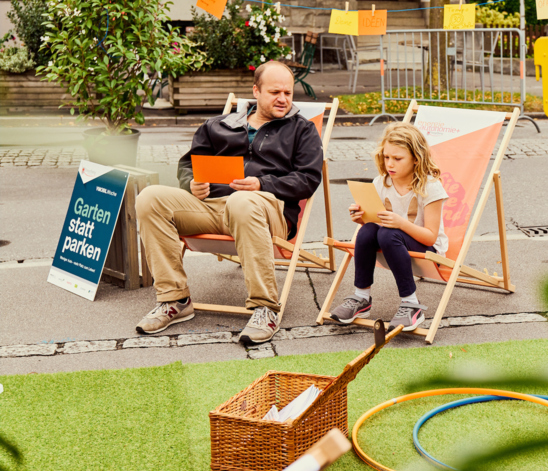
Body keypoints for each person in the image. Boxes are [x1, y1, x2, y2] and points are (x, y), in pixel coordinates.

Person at [134, 61, 323, 345]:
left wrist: (263, 184)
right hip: (212, 207)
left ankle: (265, 308)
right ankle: (175, 299)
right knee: (149, 198)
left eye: (288, 92)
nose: (283, 99)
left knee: (243, 202)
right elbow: (188, 165)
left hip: (267, 209)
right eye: (275, 92)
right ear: (255, 91)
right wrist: (191, 183)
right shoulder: (217, 125)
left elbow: (308, 179)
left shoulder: (302, 130)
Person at [329, 123, 448, 331]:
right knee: (367, 231)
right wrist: (361, 218)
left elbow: (430, 237)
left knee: (389, 232)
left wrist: (401, 223)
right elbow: (374, 223)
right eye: (386, 157)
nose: (390, 164)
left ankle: (411, 304)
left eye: (397, 158)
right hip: (391, 244)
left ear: (416, 159)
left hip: (426, 251)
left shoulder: (431, 187)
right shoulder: (381, 182)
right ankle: (361, 298)